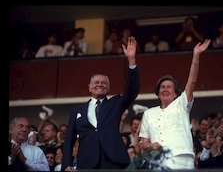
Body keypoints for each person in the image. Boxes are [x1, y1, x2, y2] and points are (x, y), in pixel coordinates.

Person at [62, 36, 140, 170]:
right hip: (87, 161)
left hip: (113, 160)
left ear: (108, 88)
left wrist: (131, 60)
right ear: (89, 88)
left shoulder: (115, 103)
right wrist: (67, 163)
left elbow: (132, 91)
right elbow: (69, 139)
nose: (100, 85)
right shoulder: (77, 111)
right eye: (96, 82)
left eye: (104, 83)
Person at [139, 39, 211, 170]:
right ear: (158, 91)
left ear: (176, 92)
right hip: (158, 161)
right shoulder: (148, 113)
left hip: (181, 159)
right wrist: (151, 146)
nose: (165, 89)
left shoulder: (181, 103)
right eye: (162, 87)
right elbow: (143, 145)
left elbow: (192, 81)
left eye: (169, 87)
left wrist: (196, 55)